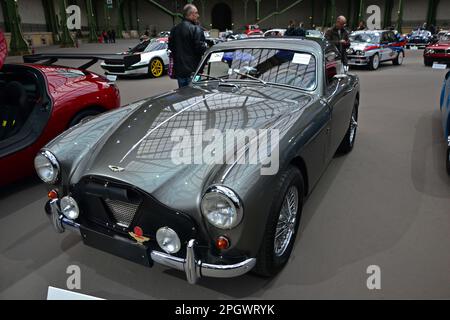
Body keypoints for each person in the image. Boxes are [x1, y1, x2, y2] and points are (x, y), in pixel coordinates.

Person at [168, 4, 207, 88]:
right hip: (194, 71)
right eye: (196, 13)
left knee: (184, 96)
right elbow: (200, 48)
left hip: (180, 71)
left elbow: (171, 47)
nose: (198, 15)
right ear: (191, 14)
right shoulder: (196, 29)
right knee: (195, 94)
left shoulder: (174, 30)